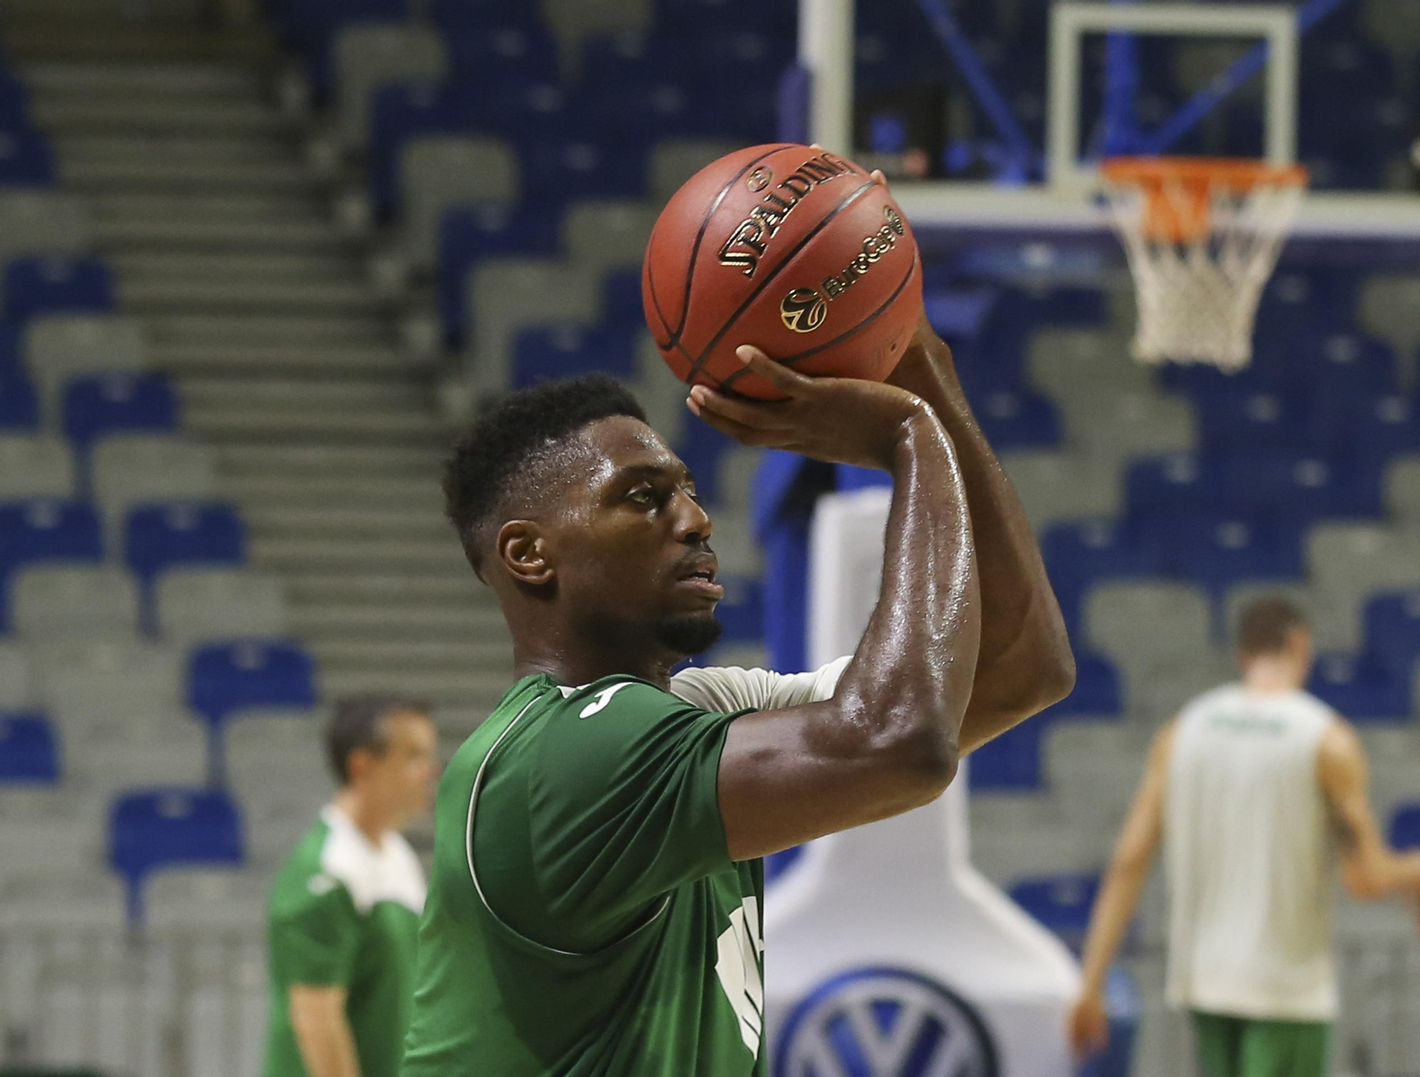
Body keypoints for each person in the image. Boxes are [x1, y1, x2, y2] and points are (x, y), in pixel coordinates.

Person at [400, 312, 1076, 1075]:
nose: (695, 517)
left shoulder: (694, 712)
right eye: (643, 496)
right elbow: (902, 741)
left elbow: (1023, 669)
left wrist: (931, 375)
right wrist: (913, 437)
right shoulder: (565, 752)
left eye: (686, 489)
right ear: (528, 553)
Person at [1067, 597, 1420, 1077]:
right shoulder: (1326, 739)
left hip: (1207, 983)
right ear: (1299, 645)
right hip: (1285, 989)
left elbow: (1129, 859)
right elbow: (1366, 878)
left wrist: (1091, 983)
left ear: (1241, 654)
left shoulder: (1182, 731)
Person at [261, 695, 440, 1077]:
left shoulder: (396, 854)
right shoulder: (325, 872)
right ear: (362, 766)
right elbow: (316, 1021)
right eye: (413, 756)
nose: (430, 771)